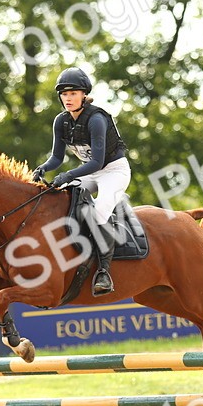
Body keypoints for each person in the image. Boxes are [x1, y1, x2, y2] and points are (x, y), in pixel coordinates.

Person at [31, 67, 130, 296]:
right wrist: (43, 168)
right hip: (91, 172)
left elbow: (96, 162)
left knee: (100, 211)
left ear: (84, 94)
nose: (68, 98)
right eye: (64, 94)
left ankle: (104, 272)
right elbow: (57, 157)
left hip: (114, 171)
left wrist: (68, 175)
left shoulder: (96, 119)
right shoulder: (61, 121)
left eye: (73, 93)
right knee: (60, 197)